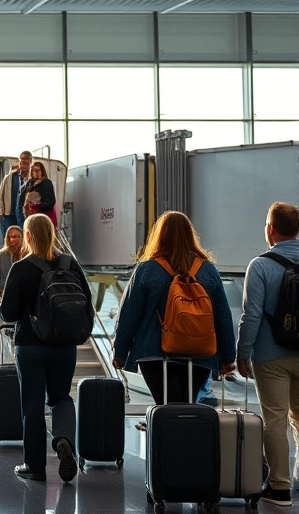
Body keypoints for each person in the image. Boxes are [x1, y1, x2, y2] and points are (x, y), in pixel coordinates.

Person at [112, 211, 236, 406]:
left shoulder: (146, 269)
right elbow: (222, 315)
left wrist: (120, 352)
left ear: (159, 235)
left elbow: (129, 313)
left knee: (167, 406)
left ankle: (169, 435)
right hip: (199, 352)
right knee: (187, 404)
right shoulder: (207, 270)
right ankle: (185, 435)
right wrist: (228, 356)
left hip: (155, 352)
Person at [0, 214, 88, 483]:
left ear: (27, 237)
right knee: (61, 397)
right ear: (53, 234)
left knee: (33, 405)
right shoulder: (70, 264)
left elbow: (7, 312)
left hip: (31, 346)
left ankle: (34, 466)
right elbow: (87, 300)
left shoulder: (21, 267)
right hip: (64, 345)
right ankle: (63, 441)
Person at [235, 203, 299, 507]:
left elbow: (252, 315)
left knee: (275, 420)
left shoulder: (260, 265)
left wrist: (242, 353)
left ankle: (280, 488)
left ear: (270, 229)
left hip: (270, 355)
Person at [0, 151, 32, 231]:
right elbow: (0, 195)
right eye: (22, 159)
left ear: (30, 161)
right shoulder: (10, 177)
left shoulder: (32, 179)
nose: (24, 162)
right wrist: (0, 211)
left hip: (24, 214)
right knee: (9, 237)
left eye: (26, 160)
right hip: (9, 214)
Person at [0, 226, 25, 297]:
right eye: (10, 237)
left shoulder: (27, 254)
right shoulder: (1, 255)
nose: (13, 240)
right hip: (5, 291)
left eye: (16, 237)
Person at [20, 162, 57, 227]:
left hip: (44, 216)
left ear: (42, 171)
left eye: (38, 170)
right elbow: (22, 195)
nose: (36, 172)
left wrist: (38, 207)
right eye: (34, 170)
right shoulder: (30, 183)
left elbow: (51, 201)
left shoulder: (46, 182)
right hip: (30, 216)